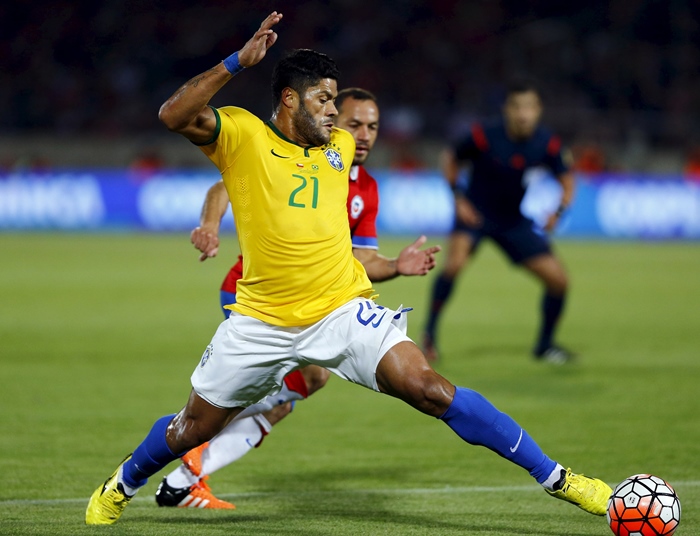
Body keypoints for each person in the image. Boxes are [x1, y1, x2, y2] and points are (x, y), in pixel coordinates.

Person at [86, 12, 611, 526]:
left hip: (342, 310)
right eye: (325, 99)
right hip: (260, 321)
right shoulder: (242, 134)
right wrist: (235, 63)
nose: (338, 115)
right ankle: (122, 484)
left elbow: (356, 192)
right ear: (289, 99)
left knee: (430, 387)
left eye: (339, 101)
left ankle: (561, 480)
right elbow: (172, 116)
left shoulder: (339, 149)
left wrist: (393, 264)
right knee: (190, 428)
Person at [154, 87, 442, 509]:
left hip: (315, 306)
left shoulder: (366, 188)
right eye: (353, 124)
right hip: (255, 297)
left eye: (372, 127)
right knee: (302, 382)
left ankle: (183, 476)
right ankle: (190, 453)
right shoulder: (295, 158)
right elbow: (222, 188)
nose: (362, 135)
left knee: (291, 394)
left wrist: (397, 264)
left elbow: (361, 259)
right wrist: (210, 226)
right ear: (326, 120)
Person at [423, 79, 576, 364]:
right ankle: (429, 338)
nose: (523, 114)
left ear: (538, 110)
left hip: (512, 221)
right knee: (453, 265)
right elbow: (450, 158)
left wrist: (558, 212)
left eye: (529, 107)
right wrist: (458, 198)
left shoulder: (547, 143)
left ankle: (545, 347)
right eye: (517, 107)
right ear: (506, 109)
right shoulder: (484, 136)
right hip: (476, 215)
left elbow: (567, 179)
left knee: (559, 281)